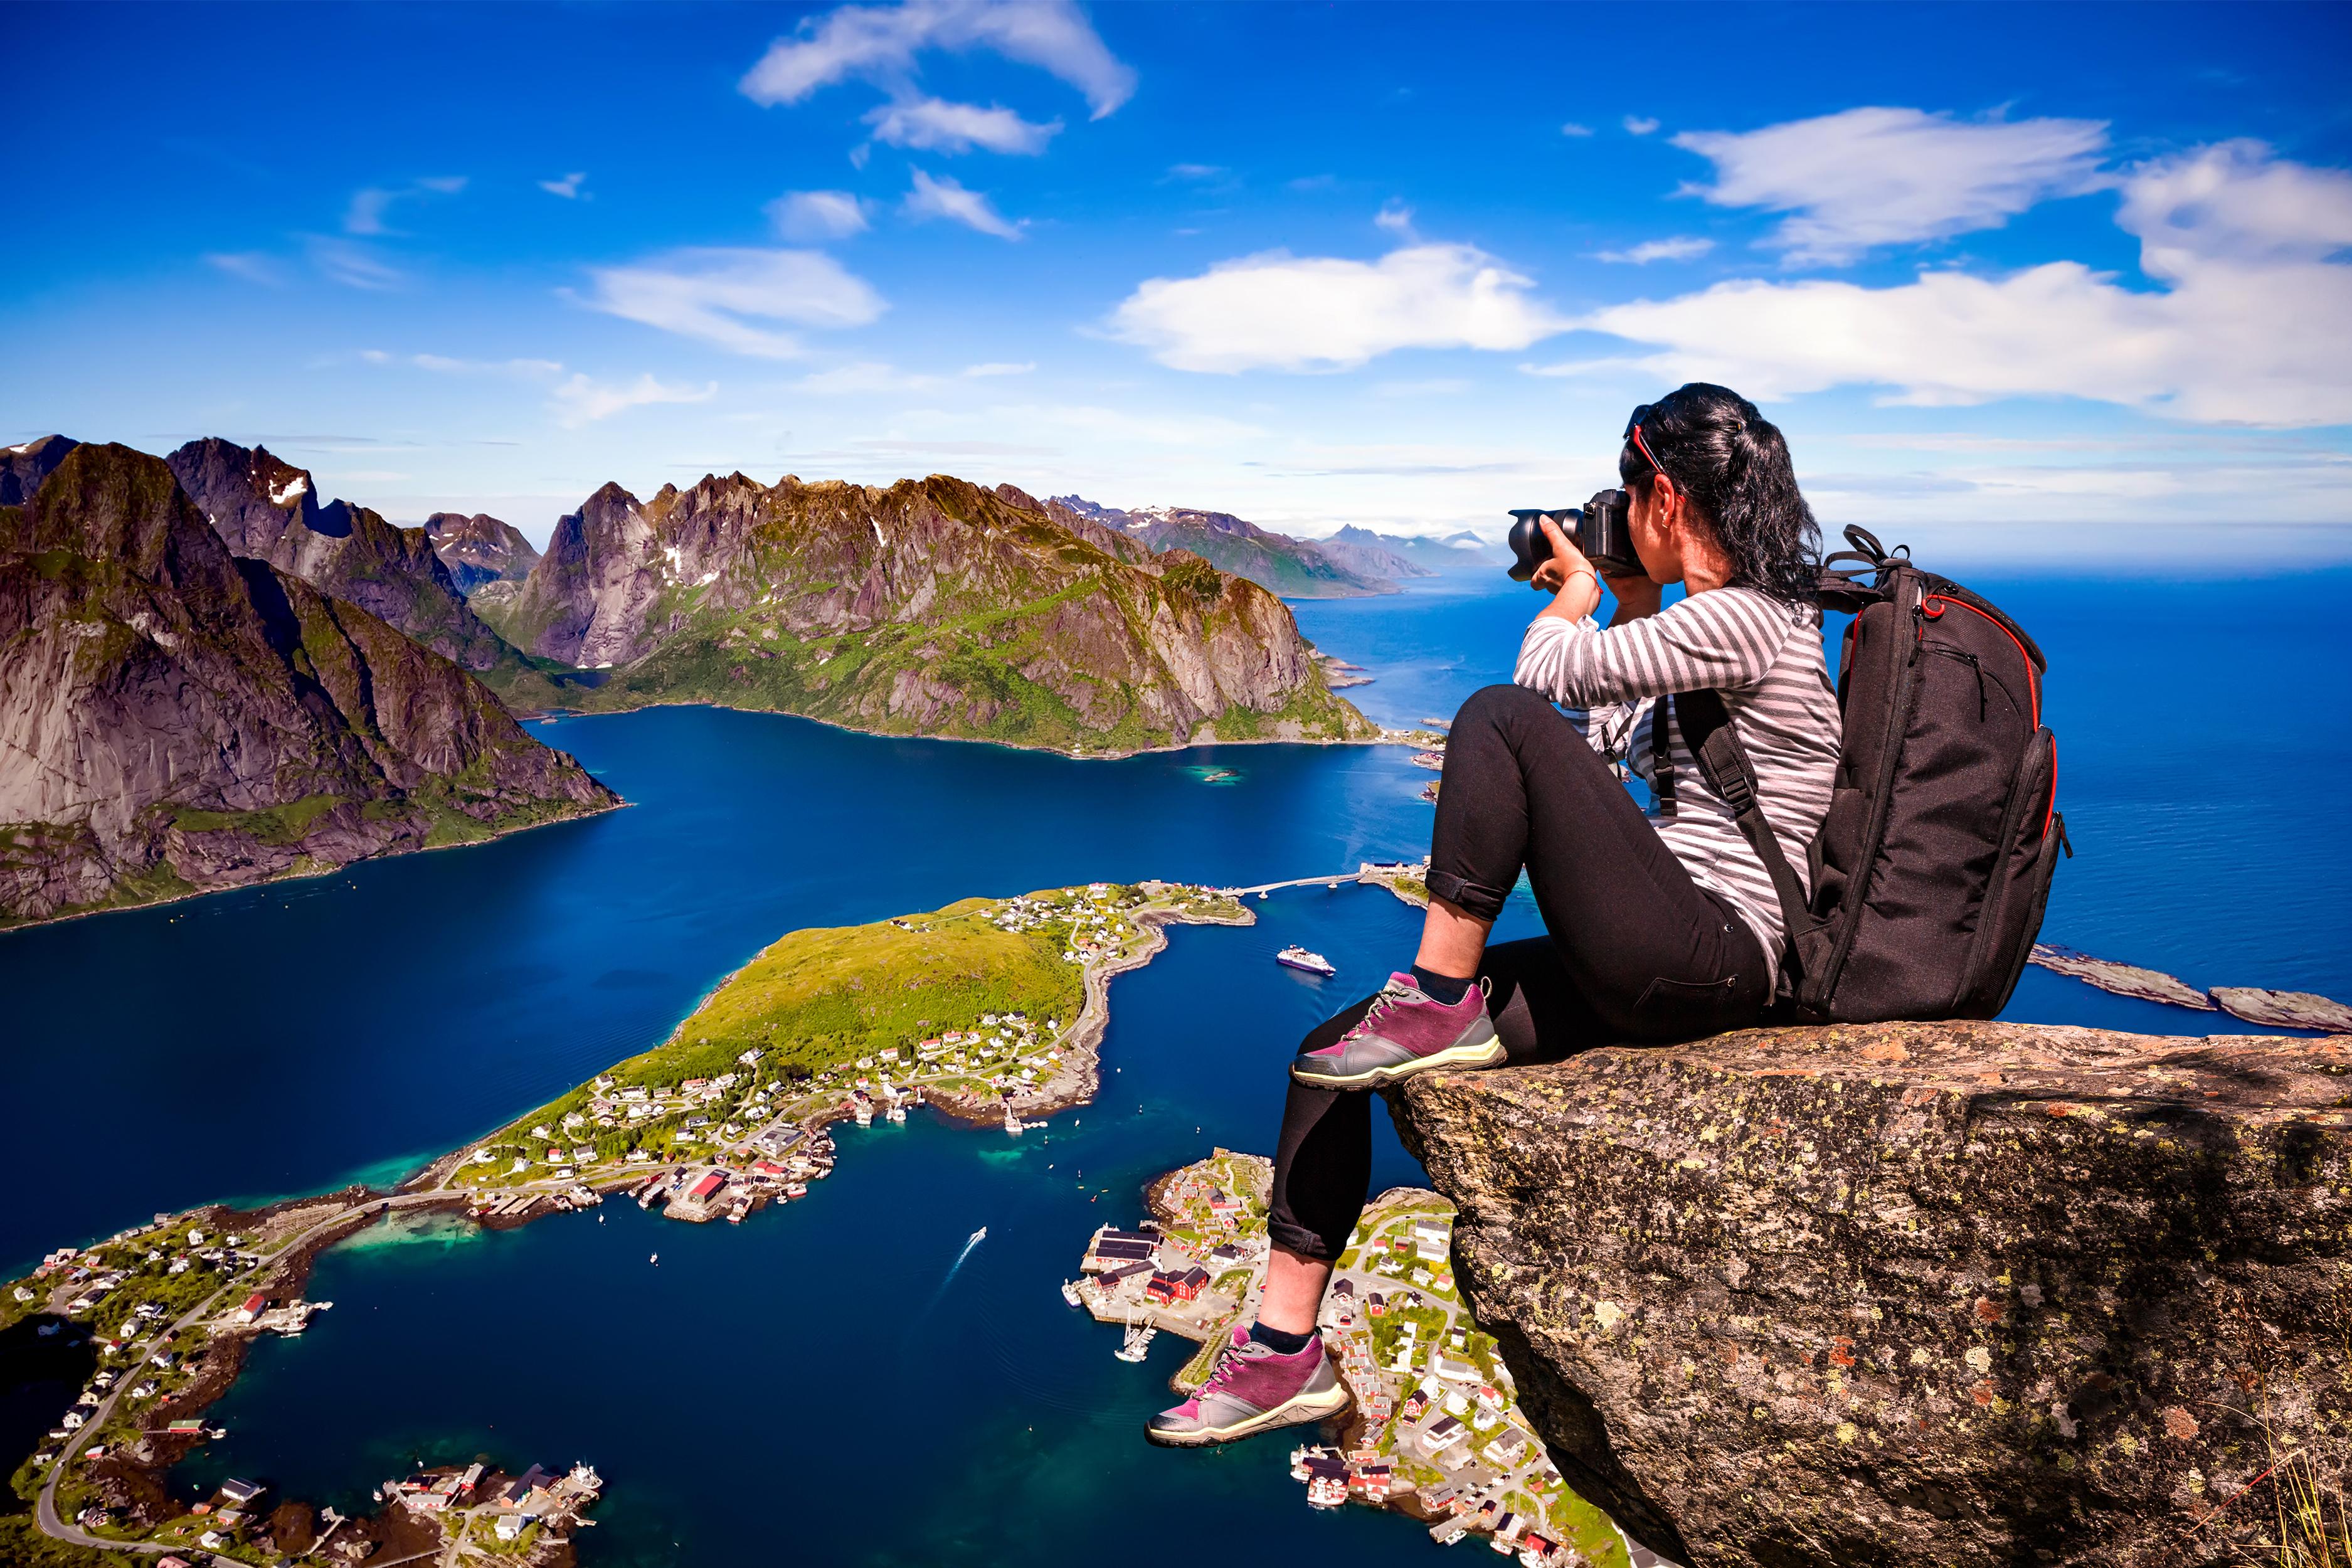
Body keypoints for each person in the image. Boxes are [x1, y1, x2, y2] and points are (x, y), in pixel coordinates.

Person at [1145, 383, 1842, 1446]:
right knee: (1332, 1051)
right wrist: (1627, 595)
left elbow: (1541, 682)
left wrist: (1572, 598)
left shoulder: (1753, 617)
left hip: (1719, 952)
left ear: (1659, 490)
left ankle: (1437, 990)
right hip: (1664, 947)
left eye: (1624, 492)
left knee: (1494, 715)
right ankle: (1286, 1351)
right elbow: (1599, 758)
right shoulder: (1708, 628)